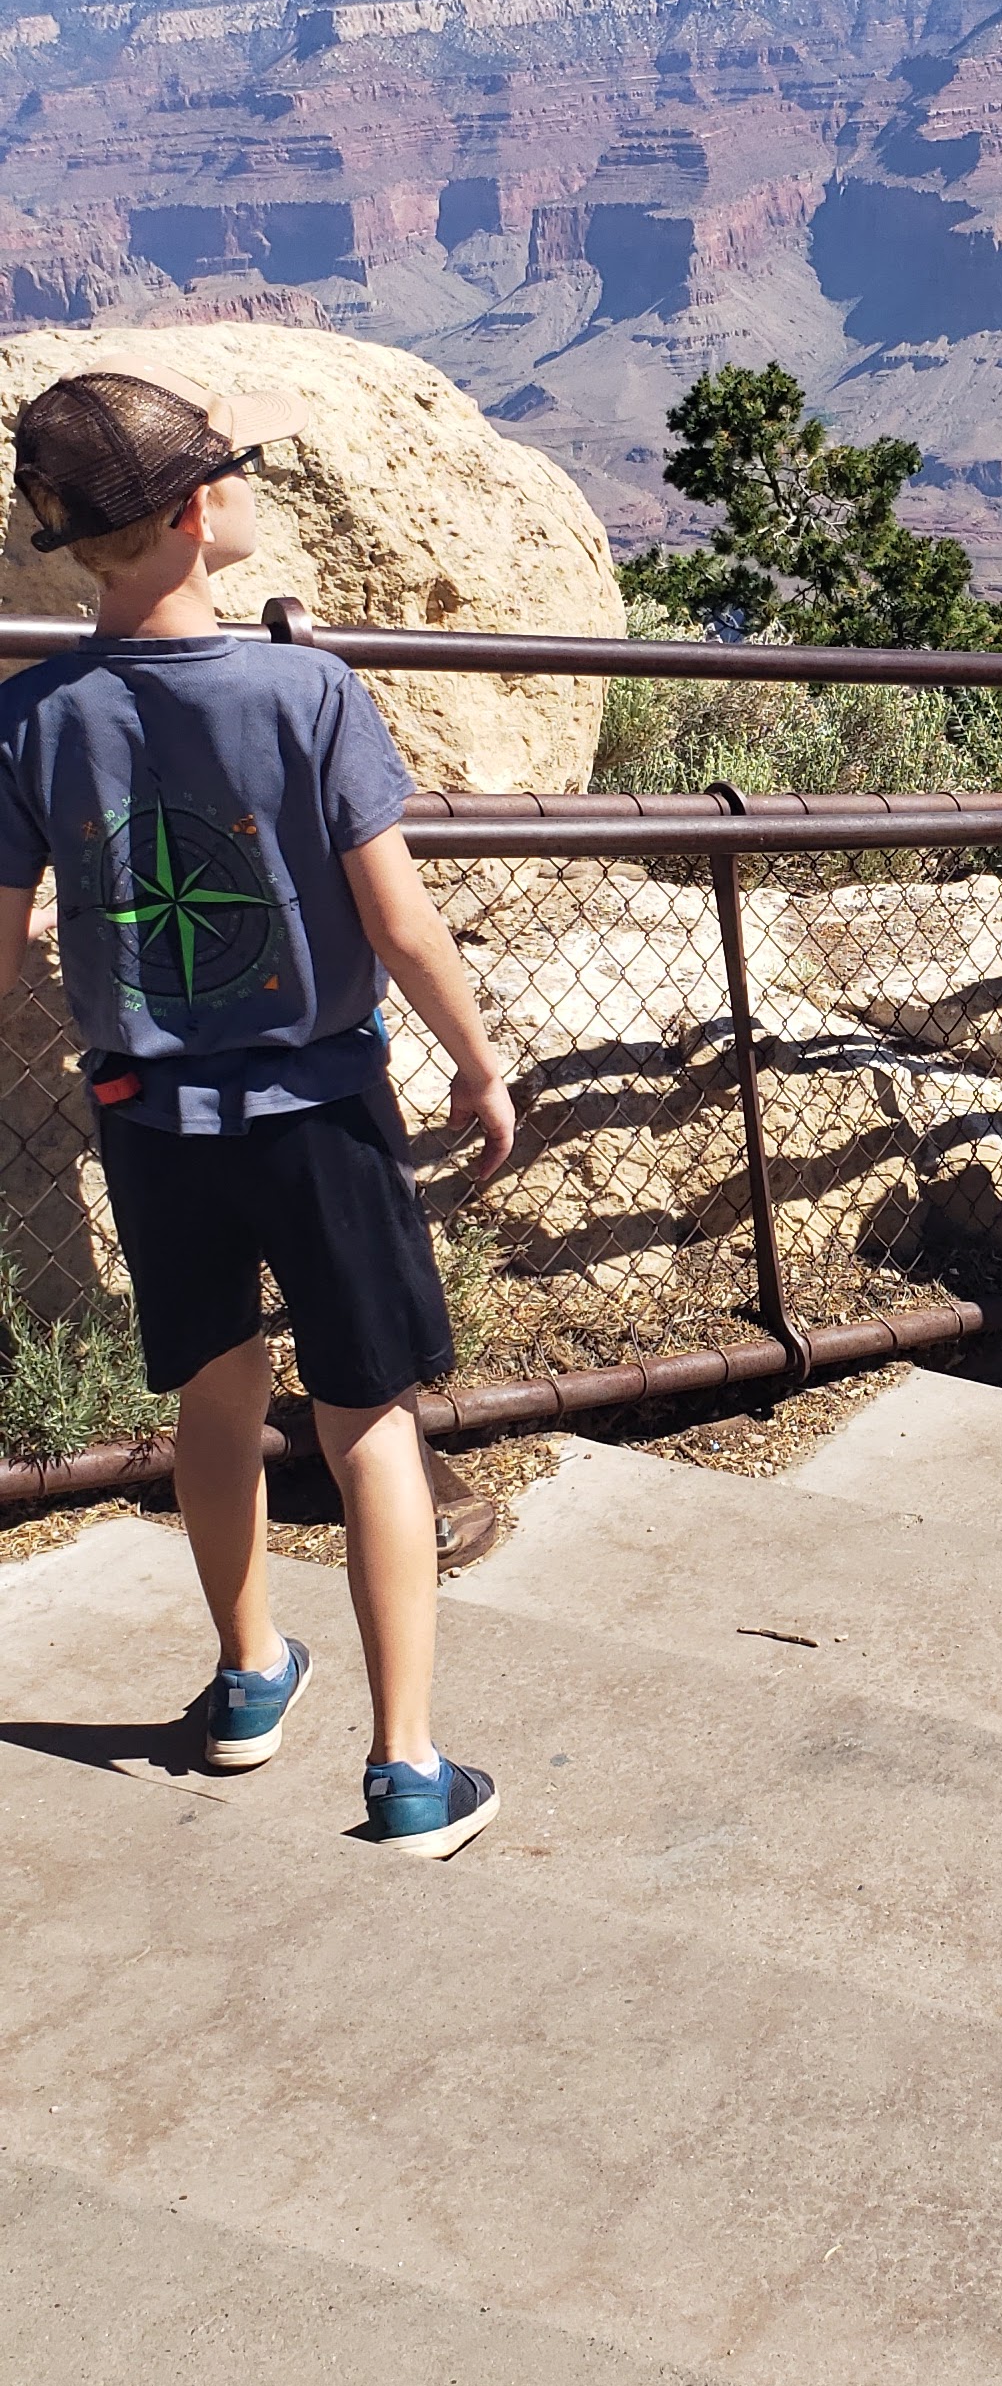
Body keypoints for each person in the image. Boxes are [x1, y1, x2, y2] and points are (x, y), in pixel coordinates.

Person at [0, 362, 514, 1858]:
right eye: (228, 471)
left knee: (213, 1400)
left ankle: (245, 1680)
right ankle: (406, 1768)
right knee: (370, 1424)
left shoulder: (30, 720)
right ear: (189, 512)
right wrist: (478, 1063)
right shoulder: (308, 692)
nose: (242, 489)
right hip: (320, 1110)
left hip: (149, 1120)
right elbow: (400, 922)